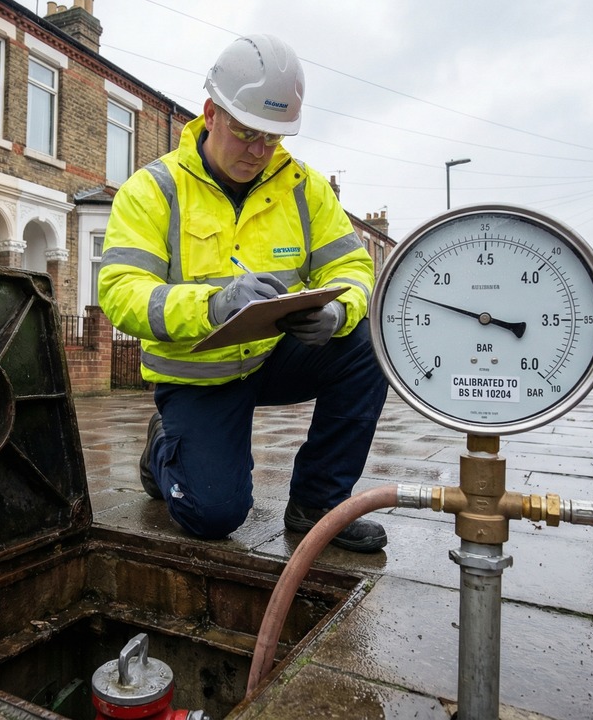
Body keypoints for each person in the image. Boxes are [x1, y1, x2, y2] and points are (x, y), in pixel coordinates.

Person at [98, 34, 389, 553]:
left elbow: (354, 266)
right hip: (198, 374)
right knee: (213, 515)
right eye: (246, 132)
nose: (258, 152)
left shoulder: (305, 188)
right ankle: (164, 446)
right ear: (212, 113)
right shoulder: (152, 191)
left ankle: (317, 504)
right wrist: (214, 306)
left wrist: (340, 311)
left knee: (369, 347)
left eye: (272, 139)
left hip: (273, 356)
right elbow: (122, 293)